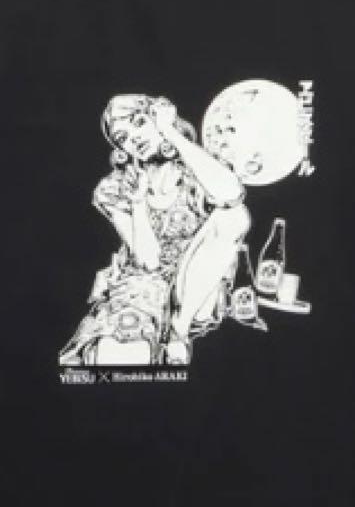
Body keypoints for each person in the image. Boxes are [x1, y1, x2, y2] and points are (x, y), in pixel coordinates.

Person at [58, 94, 250, 366]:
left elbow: (232, 196)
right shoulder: (115, 188)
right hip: (143, 284)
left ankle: (179, 330)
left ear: (159, 118)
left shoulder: (197, 168)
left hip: (196, 288)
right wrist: (138, 203)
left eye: (139, 122)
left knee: (235, 216)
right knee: (120, 353)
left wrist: (170, 133)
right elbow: (149, 260)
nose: (133, 138)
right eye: (122, 137)